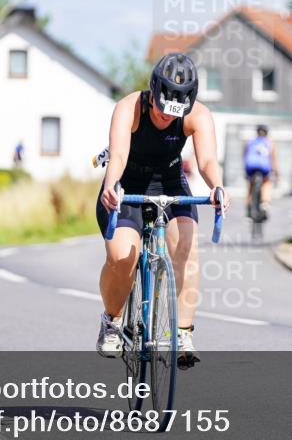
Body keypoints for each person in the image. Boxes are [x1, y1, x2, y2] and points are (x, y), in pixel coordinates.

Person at [95, 53, 229, 368]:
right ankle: (112, 321)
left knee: (185, 249)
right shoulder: (129, 108)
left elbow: (207, 161)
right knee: (121, 257)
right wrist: (111, 186)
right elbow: (117, 156)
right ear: (153, 92)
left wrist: (217, 187)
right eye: (162, 109)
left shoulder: (199, 115)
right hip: (127, 183)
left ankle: (182, 333)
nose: (167, 118)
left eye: (175, 114)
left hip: (169, 182)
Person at [243, 125, 278, 218]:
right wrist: (276, 173)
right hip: (264, 167)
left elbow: (245, 155)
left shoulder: (250, 142)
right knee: (266, 183)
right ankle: (265, 203)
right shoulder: (269, 143)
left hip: (250, 166)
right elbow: (273, 159)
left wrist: (246, 171)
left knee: (250, 185)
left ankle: (249, 206)